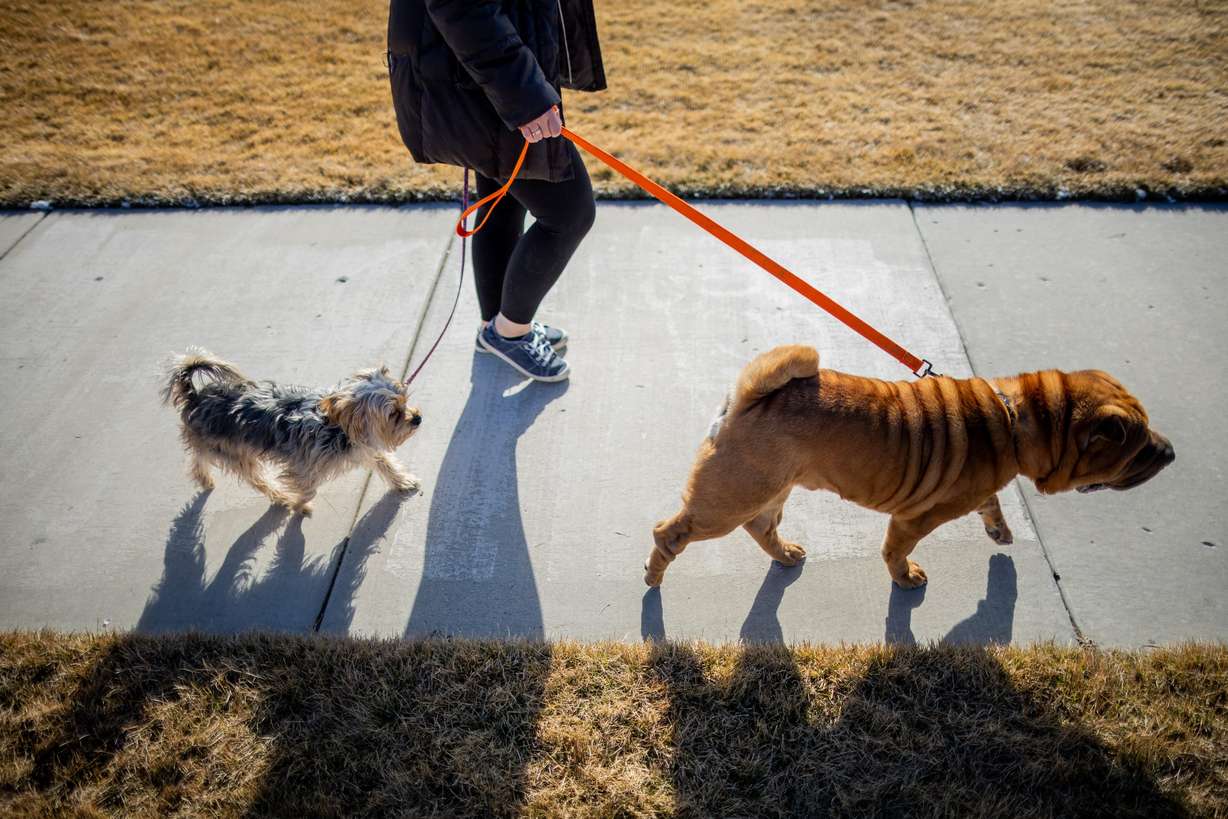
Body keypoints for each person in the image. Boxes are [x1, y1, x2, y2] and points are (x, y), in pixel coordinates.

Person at [387, 0, 606, 382]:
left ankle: (497, 327)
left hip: (484, 79)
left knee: (502, 196)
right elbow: (466, 11)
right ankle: (510, 331)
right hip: (486, 85)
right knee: (569, 214)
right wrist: (527, 98)